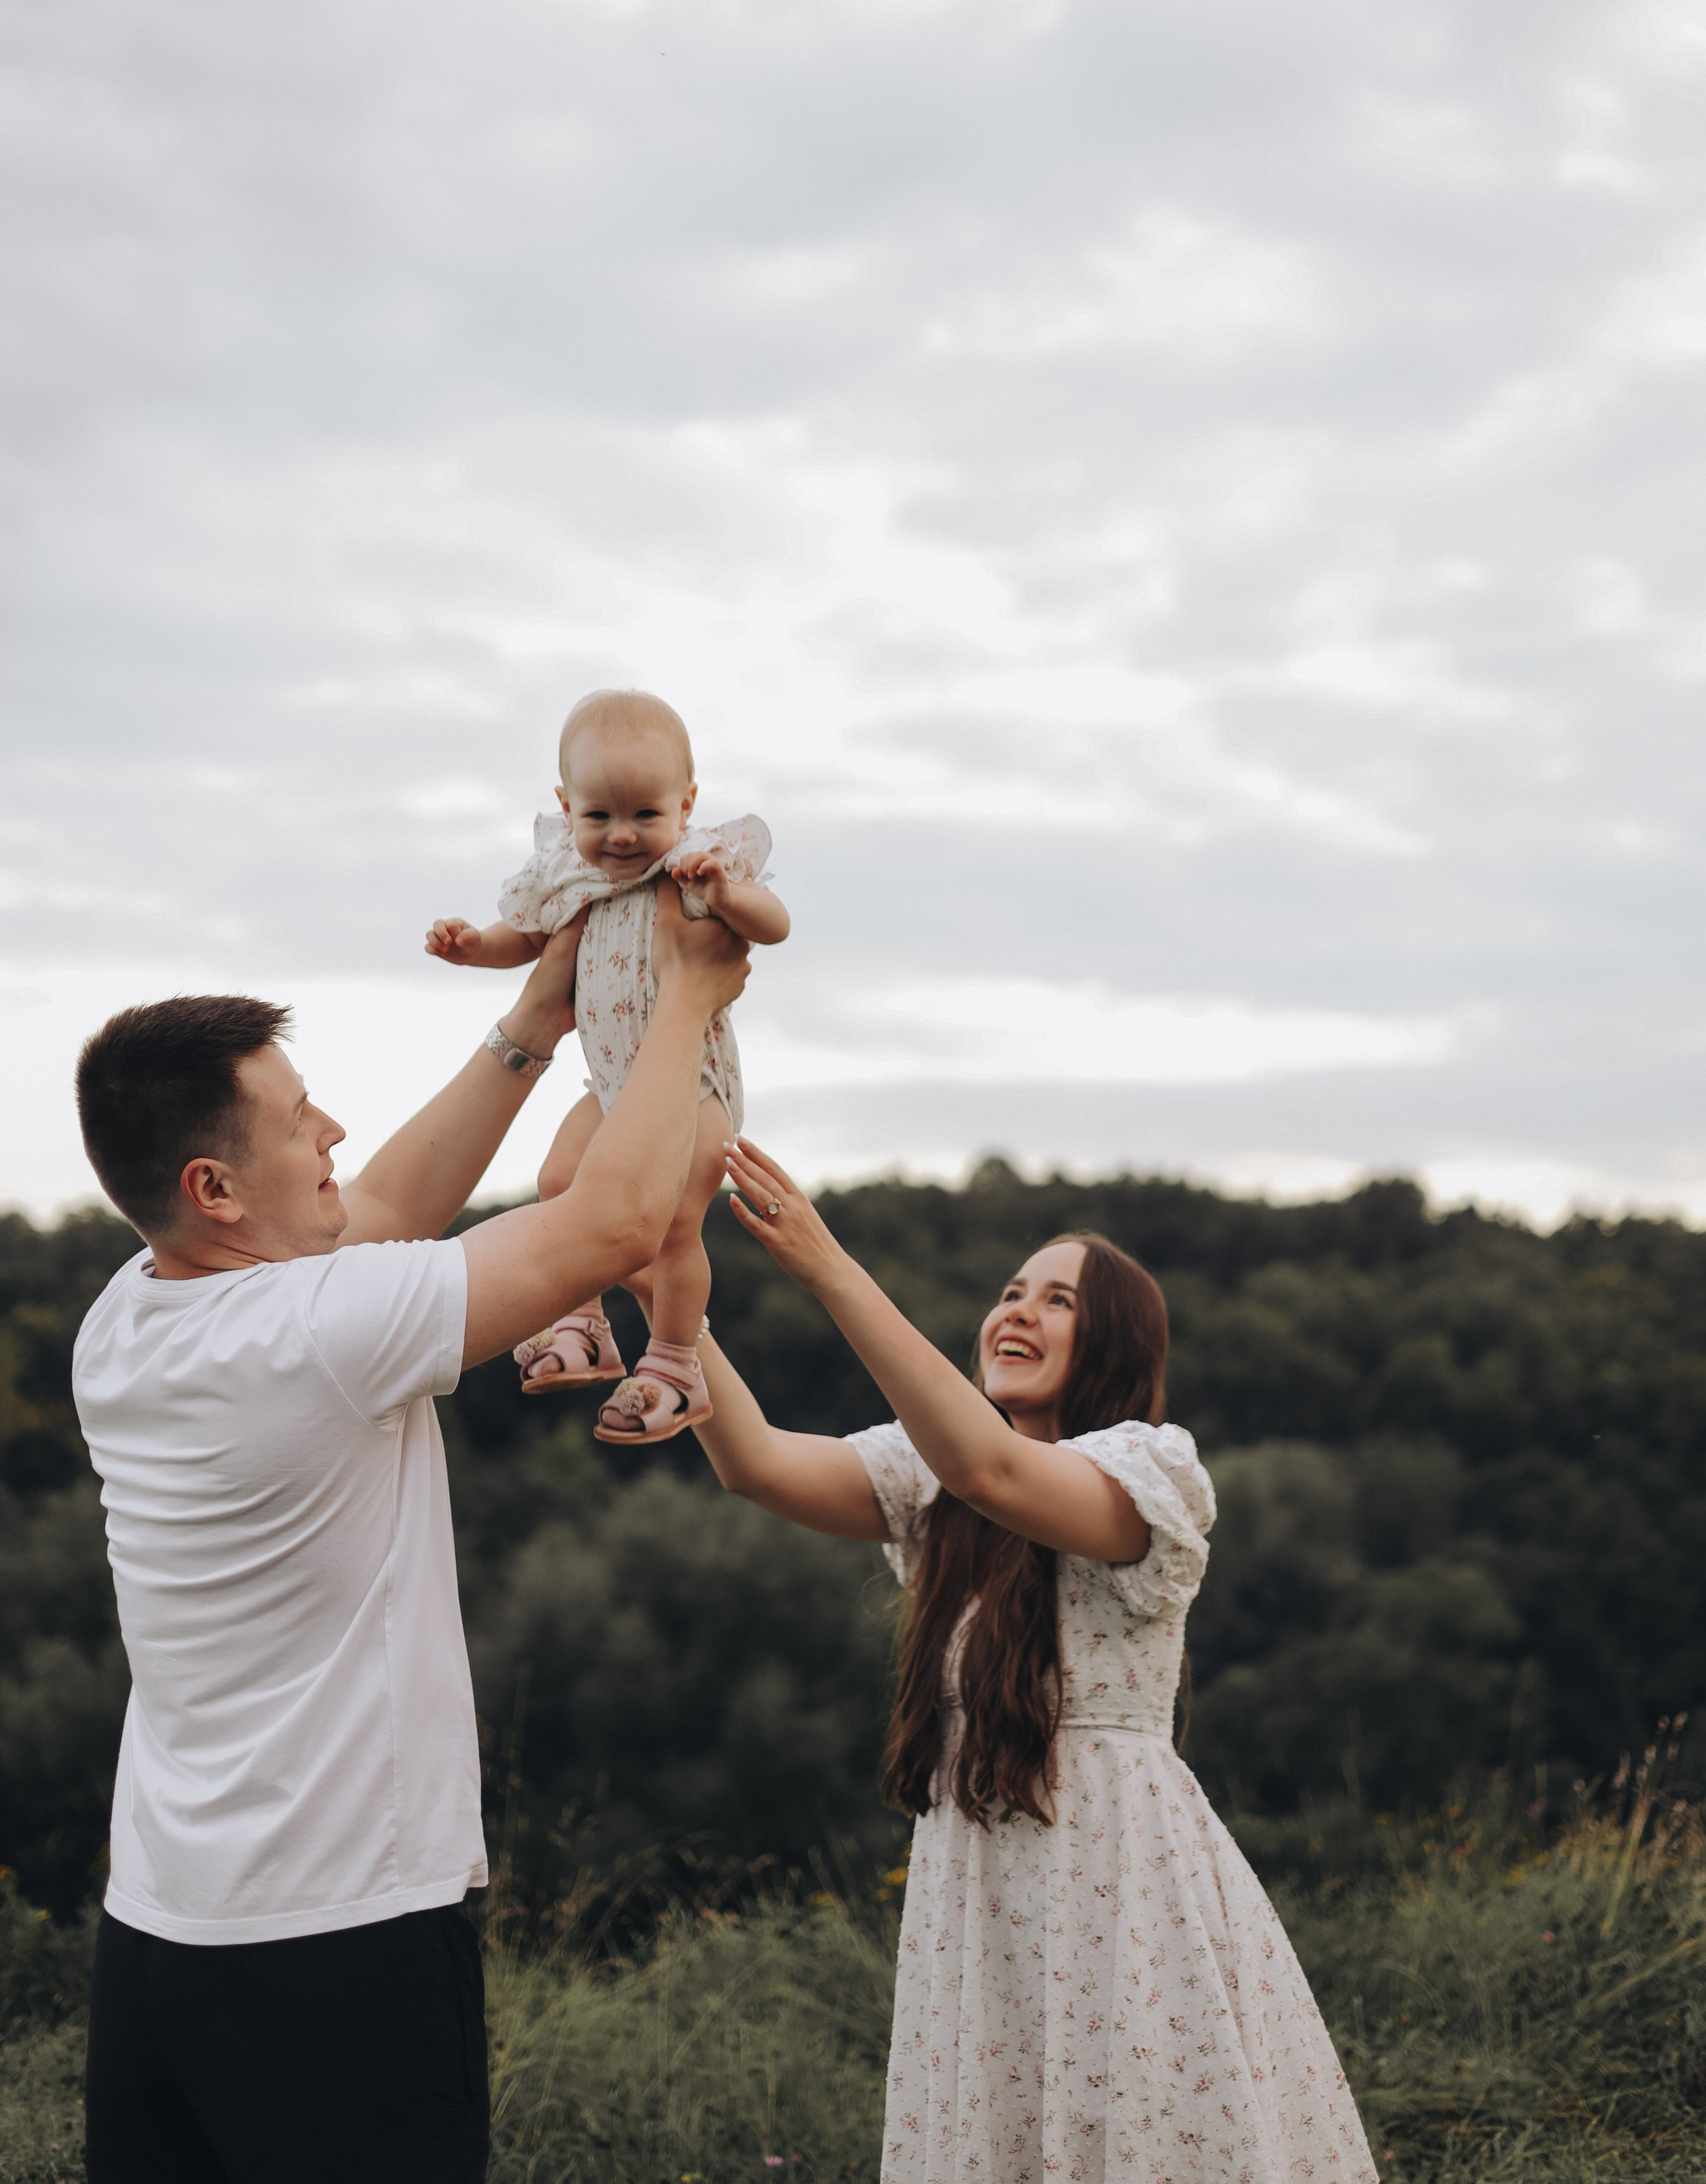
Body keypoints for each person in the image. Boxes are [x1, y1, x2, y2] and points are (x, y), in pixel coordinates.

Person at [70, 893, 748, 2184]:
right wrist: (686, 1002)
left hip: (160, 1930)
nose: (330, 1132)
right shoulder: (313, 1334)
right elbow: (607, 1226)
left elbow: (378, 1206)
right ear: (213, 1188)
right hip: (337, 1939)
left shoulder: (127, 1314)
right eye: (295, 1121)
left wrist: (533, 1022)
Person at [693, 1135, 1380, 2184]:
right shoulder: (936, 1481)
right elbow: (755, 1464)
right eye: (1012, 1291)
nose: (1016, 1311)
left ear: (1109, 1345)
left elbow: (991, 1466)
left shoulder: (1150, 1470)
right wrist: (664, 1299)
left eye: (1057, 1301)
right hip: (979, 1875)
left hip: (1114, 1877)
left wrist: (827, 1264)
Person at [426, 686, 788, 1442]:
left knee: (674, 1224)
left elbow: (774, 925)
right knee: (561, 1185)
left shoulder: (696, 868)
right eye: (599, 817)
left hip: (694, 1091)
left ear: (685, 804)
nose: (622, 837)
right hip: (612, 1085)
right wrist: (472, 949)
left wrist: (729, 893)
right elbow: (522, 941)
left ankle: (674, 1364)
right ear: (566, 807)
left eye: (645, 816)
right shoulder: (567, 880)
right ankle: (584, 1324)